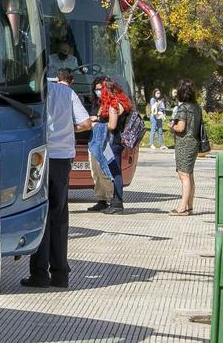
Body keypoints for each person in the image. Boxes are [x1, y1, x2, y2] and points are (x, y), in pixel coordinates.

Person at [22, 68, 94, 289]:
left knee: (40, 213)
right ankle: (61, 273)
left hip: (39, 156)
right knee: (59, 215)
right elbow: (86, 123)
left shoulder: (34, 91)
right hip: (63, 158)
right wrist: (69, 129)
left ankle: (40, 273)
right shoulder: (67, 93)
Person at [98, 79, 134, 214]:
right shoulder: (123, 102)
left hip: (114, 141)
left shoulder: (114, 105)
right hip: (119, 141)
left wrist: (99, 125)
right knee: (116, 171)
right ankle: (115, 201)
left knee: (115, 172)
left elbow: (112, 125)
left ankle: (117, 203)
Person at [169, 79, 202, 215]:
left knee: (184, 175)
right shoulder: (196, 107)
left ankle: (182, 207)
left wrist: (172, 126)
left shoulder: (183, 108)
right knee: (190, 175)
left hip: (184, 144)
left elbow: (181, 127)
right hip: (194, 142)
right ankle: (189, 205)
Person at [85, 76, 117, 213]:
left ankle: (112, 198)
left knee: (103, 170)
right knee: (95, 172)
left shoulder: (110, 103)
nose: (98, 91)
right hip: (93, 141)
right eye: (96, 89)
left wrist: (97, 121)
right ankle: (101, 199)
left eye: (100, 89)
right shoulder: (96, 103)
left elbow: (111, 124)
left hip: (104, 142)